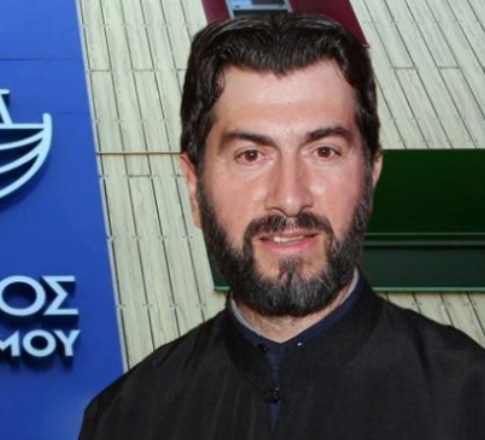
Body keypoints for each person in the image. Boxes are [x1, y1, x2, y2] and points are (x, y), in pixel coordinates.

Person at [77, 12, 485, 440]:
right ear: (195, 187)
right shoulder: (126, 418)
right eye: (251, 155)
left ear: (371, 175)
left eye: (324, 151)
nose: (290, 197)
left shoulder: (471, 400)